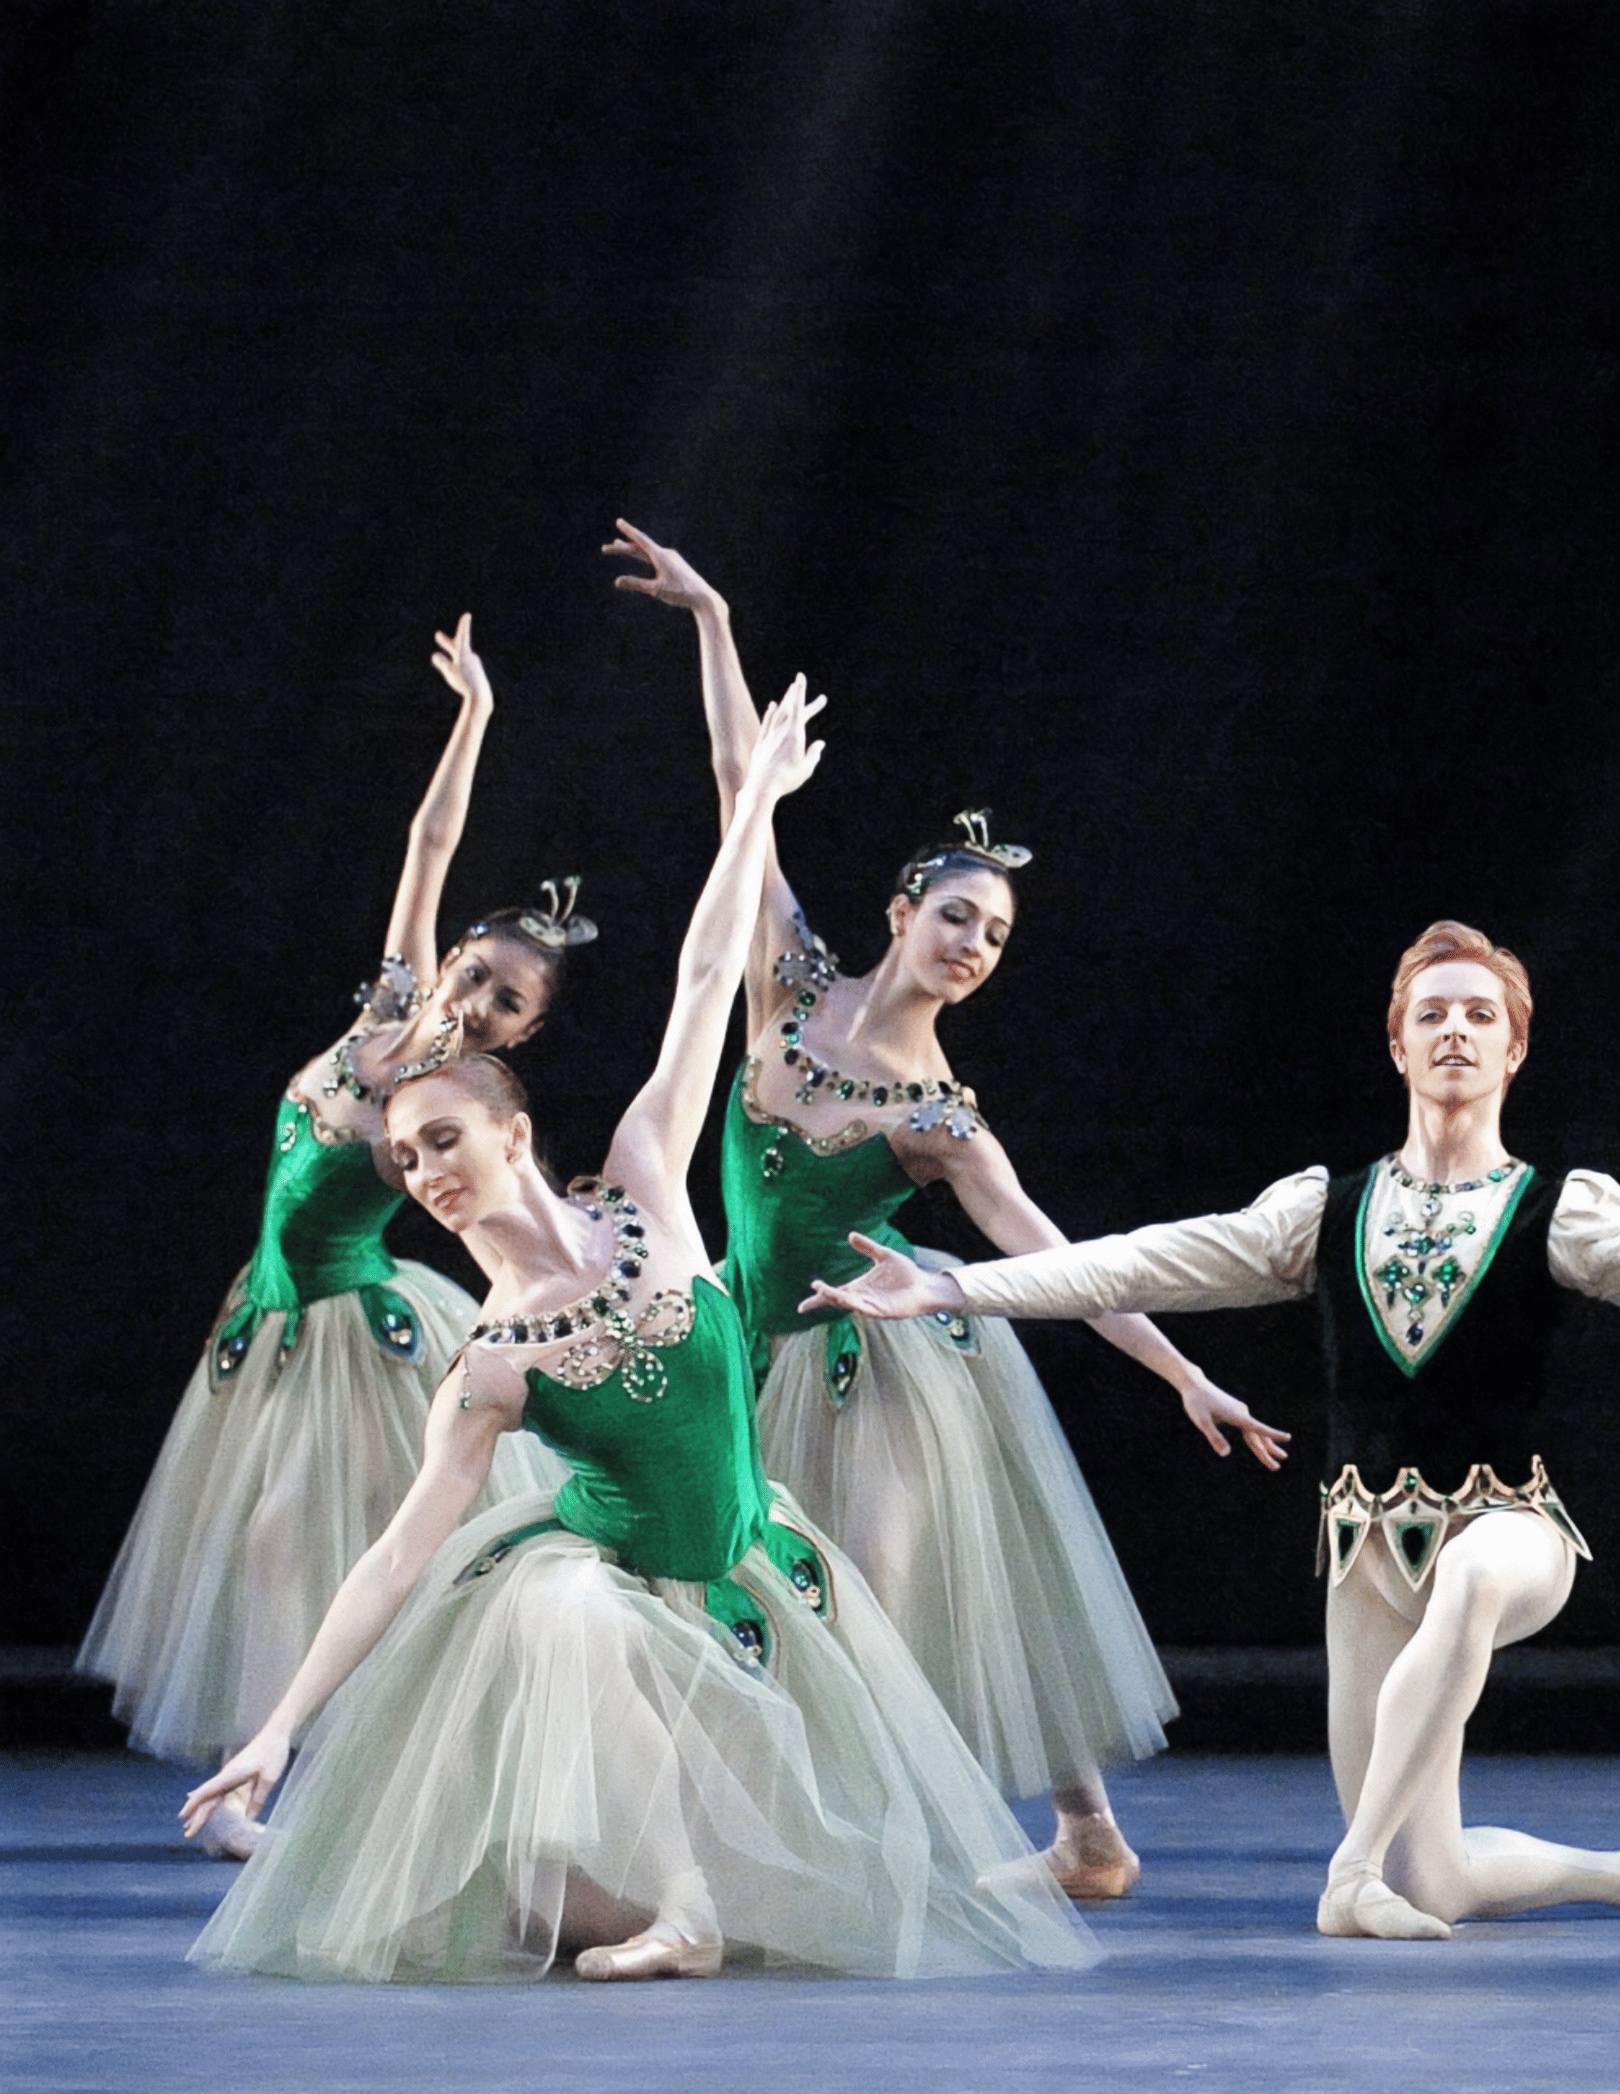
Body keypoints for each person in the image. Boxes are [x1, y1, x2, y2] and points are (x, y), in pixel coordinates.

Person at [809, 919, 1620, 1942]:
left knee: (1467, 1592)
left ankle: (1346, 1873)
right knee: (1441, 1878)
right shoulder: (1322, 1210)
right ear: (1398, 1045)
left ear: (1513, 1050)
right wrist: (957, 1289)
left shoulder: (1562, 1210)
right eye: (1432, 1014)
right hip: (1365, 1550)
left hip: (1512, 1530)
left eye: (1478, 1015)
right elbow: (1141, 1261)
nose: (1455, 1029)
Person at [182, 685, 1095, 1983]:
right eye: (405, 1156)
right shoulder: (491, 1363)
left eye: (443, 1139)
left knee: (688, 1910)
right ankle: (679, 1905)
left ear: (511, 1133)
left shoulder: (644, 1183)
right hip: (599, 1596)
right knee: (565, 1614)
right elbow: (392, 1557)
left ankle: (673, 1885)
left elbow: (706, 973)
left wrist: (756, 802)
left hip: (743, 1573)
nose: (424, 1172)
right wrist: (278, 1729)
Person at [608, 524, 1285, 1901]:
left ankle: (909, 1852)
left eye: (996, 937)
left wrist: (1183, 1372)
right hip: (745, 1341)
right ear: (903, 909)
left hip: (880, 1364)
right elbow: (745, 793)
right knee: (756, 1587)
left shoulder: (940, 1119)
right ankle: (1067, 1835)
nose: (975, 946)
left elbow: (1063, 1261)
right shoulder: (788, 984)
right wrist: (715, 623)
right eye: (960, 917)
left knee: (883, 1591)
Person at [83, 616, 573, 1855]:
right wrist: (475, 716)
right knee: (265, 1555)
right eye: (477, 973)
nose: (480, 1000)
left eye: (508, 1002)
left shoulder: (451, 1106)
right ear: (448, 961)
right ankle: (265, 1777)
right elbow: (429, 842)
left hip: (358, 1337)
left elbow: (497, 1221)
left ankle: (285, 1782)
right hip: (267, 1320)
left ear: (522, 1034)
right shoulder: (388, 1008)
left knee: (302, 1548)